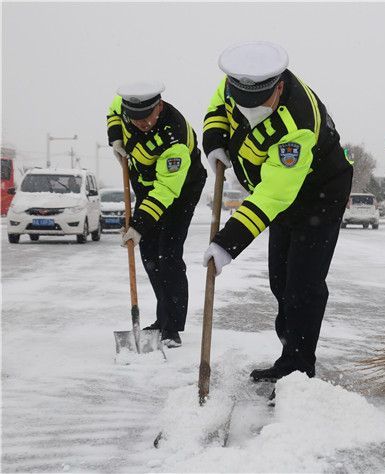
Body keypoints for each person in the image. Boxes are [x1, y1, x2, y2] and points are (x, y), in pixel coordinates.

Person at [201, 41, 353, 382]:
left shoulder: (297, 122)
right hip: (280, 193)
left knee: (303, 284)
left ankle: (299, 370)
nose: (249, 110)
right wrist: (214, 143)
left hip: (318, 194)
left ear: (279, 85)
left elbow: (273, 193)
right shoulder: (237, 83)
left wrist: (228, 242)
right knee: (280, 280)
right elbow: (218, 108)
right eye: (243, 102)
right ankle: (289, 356)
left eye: (258, 104)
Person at [106, 81, 207, 348]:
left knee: (168, 253)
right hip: (147, 185)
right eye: (134, 118)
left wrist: (138, 225)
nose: (140, 124)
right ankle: (162, 319)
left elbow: (165, 190)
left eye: (146, 117)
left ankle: (171, 327)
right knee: (150, 253)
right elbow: (114, 110)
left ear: (158, 106)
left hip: (179, 189)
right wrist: (115, 137)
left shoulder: (174, 137)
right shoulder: (127, 110)